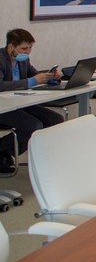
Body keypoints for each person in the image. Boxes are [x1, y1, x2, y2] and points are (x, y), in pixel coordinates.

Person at [0, 29, 64, 173]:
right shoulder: (1, 59)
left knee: (55, 119)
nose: (28, 52)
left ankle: (5, 153)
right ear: (11, 47)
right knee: (33, 125)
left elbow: (34, 75)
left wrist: (51, 76)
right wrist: (32, 81)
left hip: (19, 103)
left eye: (30, 48)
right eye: (24, 49)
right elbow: (1, 85)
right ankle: (3, 152)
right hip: (3, 107)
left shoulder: (23, 60)